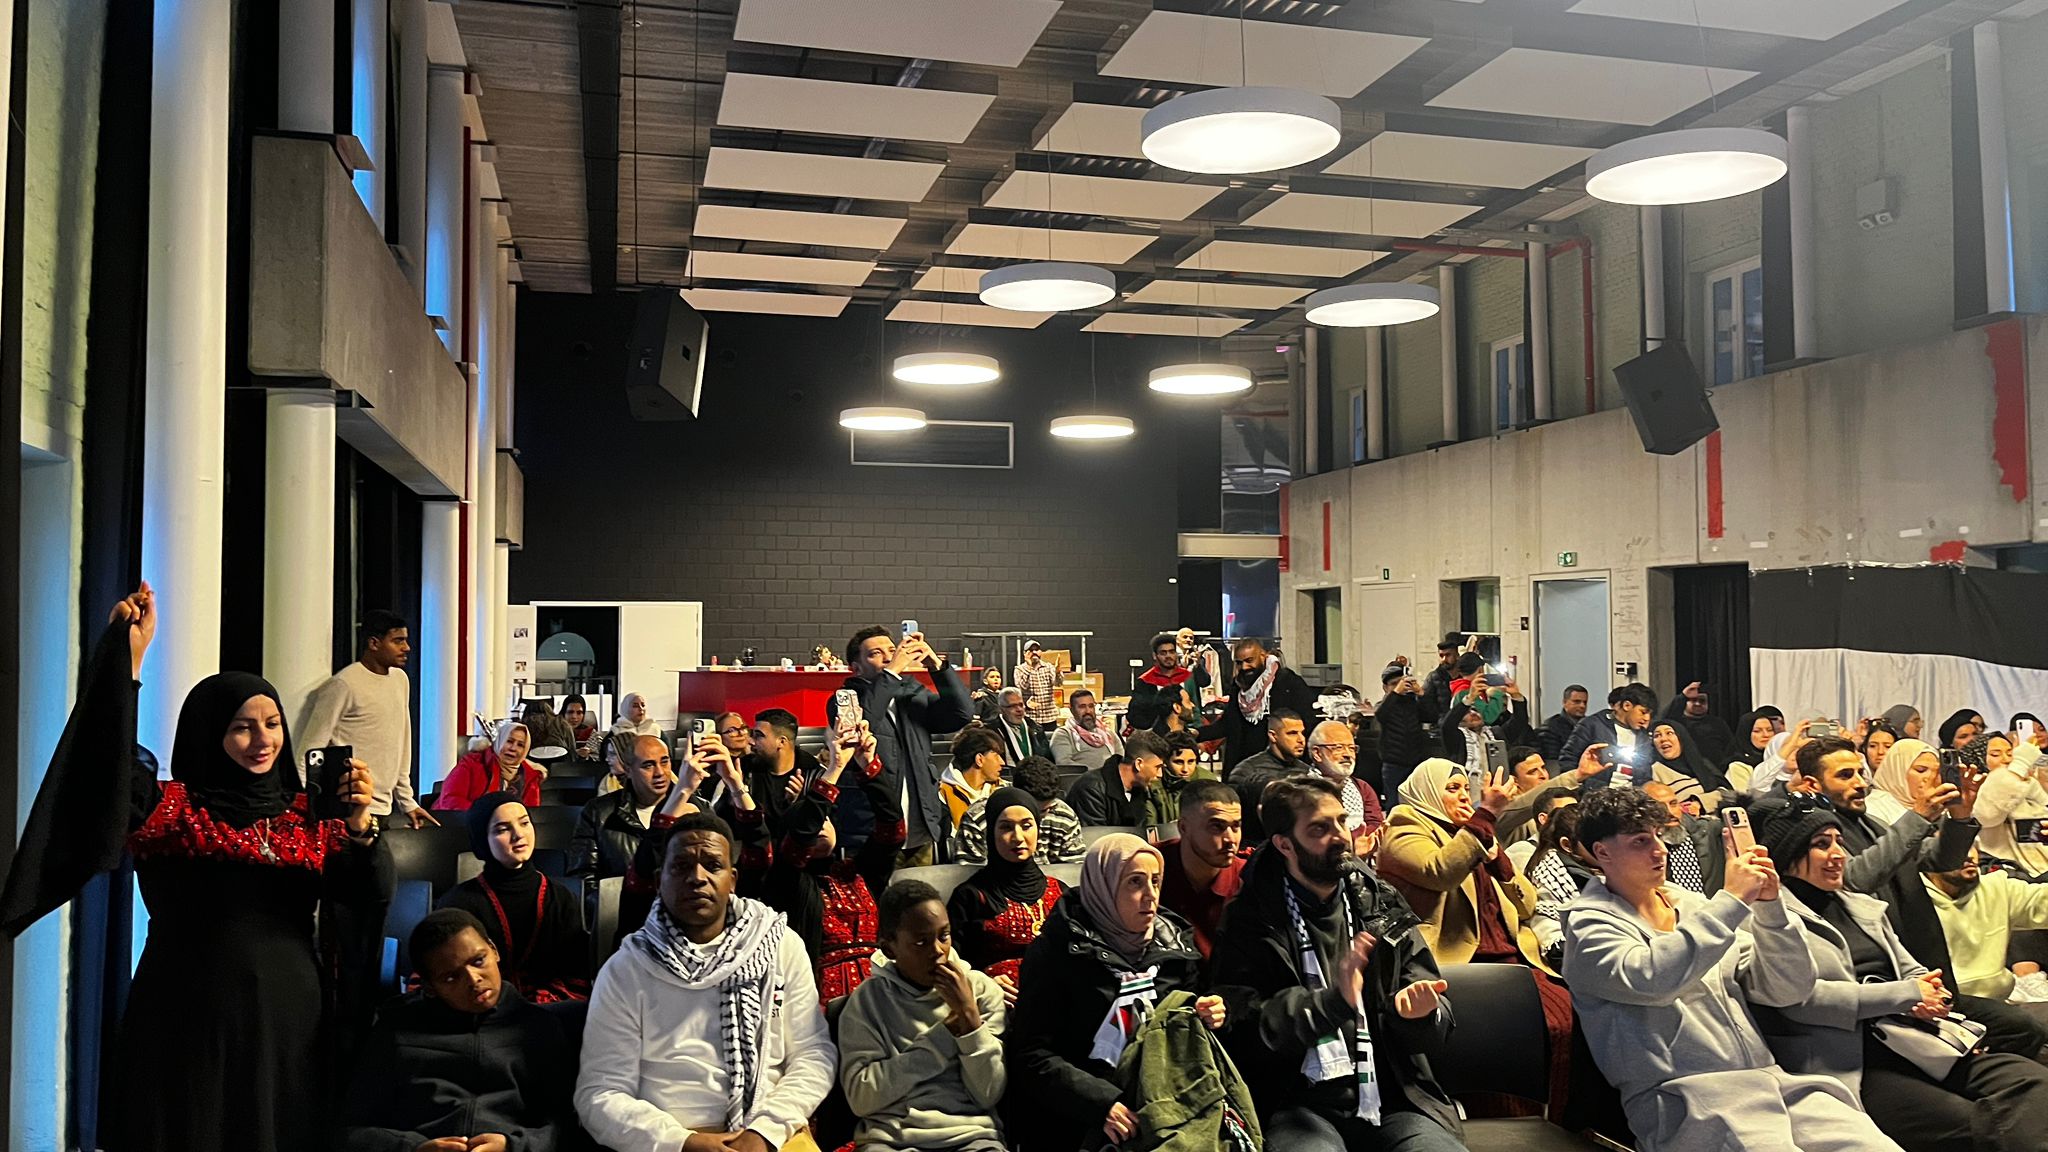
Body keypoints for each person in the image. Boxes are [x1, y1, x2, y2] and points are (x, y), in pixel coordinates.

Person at [0, 586, 384, 1151]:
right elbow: (100, 764)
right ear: (210, 732)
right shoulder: (169, 809)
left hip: (288, 1014)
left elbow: (366, 894)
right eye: (241, 727)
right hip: (185, 1007)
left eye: (272, 723)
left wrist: (360, 825)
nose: (262, 741)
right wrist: (128, 664)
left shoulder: (310, 815)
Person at [1562, 787, 1903, 1152]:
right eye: (1640, 841)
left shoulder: (1692, 906)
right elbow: (1652, 978)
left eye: (1658, 836)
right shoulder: (1589, 927)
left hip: (1770, 1081)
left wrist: (1770, 907)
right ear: (1602, 853)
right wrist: (1732, 900)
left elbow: (1787, 989)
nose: (1659, 850)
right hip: (1686, 1099)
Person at [1751, 800, 2048, 1152]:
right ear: (1788, 855)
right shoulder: (1769, 919)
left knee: (2032, 1081)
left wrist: (1933, 999)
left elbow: (1912, 970)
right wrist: (1906, 995)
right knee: (1976, 1124)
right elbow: (1802, 1001)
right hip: (1855, 1062)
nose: (1838, 854)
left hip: (1919, 1040)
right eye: (1821, 844)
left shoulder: (1859, 905)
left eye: (1838, 842)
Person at [1209, 776, 1464, 1152]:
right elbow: (1246, 1029)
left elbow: (1434, 1019)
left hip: (1394, 1096)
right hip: (1296, 1103)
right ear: (1284, 844)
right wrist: (1332, 1003)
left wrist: (1417, 1016)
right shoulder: (1250, 919)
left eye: (1341, 821)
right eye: (1319, 829)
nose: (1341, 836)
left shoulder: (1379, 902)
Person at [575, 813, 836, 1152]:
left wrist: (765, 1132)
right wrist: (683, 1142)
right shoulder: (626, 969)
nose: (697, 878)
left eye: (712, 866)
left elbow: (813, 1054)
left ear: (733, 879)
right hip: (667, 1139)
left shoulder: (780, 946)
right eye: (681, 866)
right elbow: (600, 1092)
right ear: (658, 880)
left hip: (771, 1132)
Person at [1791, 736, 2046, 1059]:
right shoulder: (1810, 836)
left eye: (1860, 773)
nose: (1860, 783)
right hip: (1881, 991)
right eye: (1845, 775)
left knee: (2021, 1029)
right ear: (1812, 785)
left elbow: (1941, 860)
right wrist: (1918, 816)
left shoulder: (1870, 823)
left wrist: (1960, 817)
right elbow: (1854, 879)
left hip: (1922, 971)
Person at [1004, 834, 1225, 1151]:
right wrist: (1102, 1104)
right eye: (1135, 882)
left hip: (1163, 1098)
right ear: (1103, 887)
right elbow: (1032, 1056)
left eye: (1155, 881)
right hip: (1081, 1112)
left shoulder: (1175, 945)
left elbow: (1183, 1032)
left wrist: (1208, 1013)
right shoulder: (1057, 951)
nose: (1150, 895)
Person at [1381, 760, 1575, 1119]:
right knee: (1533, 1028)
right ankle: (1503, 1120)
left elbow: (1527, 904)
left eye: (1463, 789)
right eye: (1451, 788)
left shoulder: (1475, 833)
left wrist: (1501, 864)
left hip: (1512, 956)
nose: (1462, 796)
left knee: (1569, 1017)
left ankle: (1560, 1119)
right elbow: (1439, 871)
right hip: (1459, 962)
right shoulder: (1405, 827)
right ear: (1428, 792)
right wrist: (1485, 816)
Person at [337, 909, 576, 1152]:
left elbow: (566, 1128)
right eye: (451, 978)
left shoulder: (537, 1028)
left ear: (493, 950)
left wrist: (512, 1145)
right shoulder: (396, 1031)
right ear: (430, 987)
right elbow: (351, 1131)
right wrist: (414, 1148)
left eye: (478, 961)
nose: (473, 980)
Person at [838, 880, 1009, 1152]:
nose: (938, 951)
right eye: (921, 942)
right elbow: (862, 1098)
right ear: (889, 949)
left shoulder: (980, 990)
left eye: (944, 936)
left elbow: (988, 1093)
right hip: (892, 1140)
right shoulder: (868, 1001)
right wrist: (943, 1036)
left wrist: (969, 1020)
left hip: (971, 1136)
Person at [832, 626, 975, 866]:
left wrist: (937, 667)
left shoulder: (913, 694)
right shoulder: (844, 699)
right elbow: (862, 725)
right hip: (872, 832)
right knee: (874, 890)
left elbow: (962, 713)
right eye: (875, 653)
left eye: (891, 650)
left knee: (920, 889)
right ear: (856, 668)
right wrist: (892, 672)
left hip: (921, 829)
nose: (889, 657)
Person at [438, 793, 591, 1002]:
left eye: (524, 823)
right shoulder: (458, 903)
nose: (518, 835)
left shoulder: (560, 897)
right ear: (483, 841)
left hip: (549, 1011)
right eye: (502, 829)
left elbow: (576, 973)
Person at [299, 608, 433, 827]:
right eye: (398, 641)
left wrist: (407, 801)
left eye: (405, 640)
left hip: (383, 807)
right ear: (374, 643)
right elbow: (310, 749)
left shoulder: (400, 680)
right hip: (346, 809)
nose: (406, 648)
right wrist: (302, 809)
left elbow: (402, 742)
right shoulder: (344, 684)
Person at [947, 786, 1067, 996]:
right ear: (991, 833)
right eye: (1006, 827)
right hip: (992, 1001)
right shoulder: (970, 896)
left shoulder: (1061, 892)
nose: (1018, 837)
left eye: (1027, 826)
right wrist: (983, 982)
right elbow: (951, 962)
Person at [1927, 848, 2048, 1004]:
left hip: (1998, 1000)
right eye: (1955, 845)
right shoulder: (1908, 899)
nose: (1969, 855)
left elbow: (2042, 902)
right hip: (1938, 1002)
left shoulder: (1996, 886)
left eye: (1970, 845)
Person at [1156, 778, 1247, 961]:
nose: (1231, 839)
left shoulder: (1248, 877)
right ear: (1183, 827)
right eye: (1217, 827)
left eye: (1236, 826)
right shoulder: (1151, 867)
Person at [1200, 638, 1319, 774]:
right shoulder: (1238, 686)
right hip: (1242, 767)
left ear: (1263, 656)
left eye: (1249, 660)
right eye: (1239, 663)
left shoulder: (1288, 683)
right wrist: (1198, 734)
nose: (1244, 667)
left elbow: (1308, 723)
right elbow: (1228, 724)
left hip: (1279, 769)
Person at [573, 733, 679, 884]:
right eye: (648, 765)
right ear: (628, 770)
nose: (660, 773)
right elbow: (583, 879)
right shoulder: (598, 812)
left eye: (664, 762)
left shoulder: (695, 807)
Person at [954, 757, 1083, 866]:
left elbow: (1072, 871)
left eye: (1044, 811)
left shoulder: (1064, 816)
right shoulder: (979, 817)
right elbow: (970, 870)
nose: (1038, 818)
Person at [1966, 731, 2048, 878]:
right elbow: (1986, 816)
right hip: (2008, 872)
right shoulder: (1974, 791)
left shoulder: (2028, 784)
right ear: (1978, 758)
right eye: (1995, 755)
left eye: (2010, 754)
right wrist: (2020, 764)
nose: (2006, 760)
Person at [1520, 796, 1590, 966]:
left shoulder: (1594, 869)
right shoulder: (1550, 873)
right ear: (1567, 845)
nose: (1603, 846)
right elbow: (1558, 950)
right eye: (1592, 841)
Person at [1306, 718, 1383, 853]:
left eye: (1352, 748)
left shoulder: (1362, 788)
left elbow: (1375, 824)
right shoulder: (1301, 791)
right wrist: (1349, 843)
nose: (1348, 754)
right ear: (1317, 753)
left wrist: (1360, 843)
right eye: (1339, 748)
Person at [1228, 709, 1309, 839]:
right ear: (1273, 736)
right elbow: (1231, 814)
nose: (1301, 740)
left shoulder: (1307, 772)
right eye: (1292, 733)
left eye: (1302, 733)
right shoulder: (1246, 771)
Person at [1065, 729, 1166, 828]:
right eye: (1157, 767)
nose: (1160, 774)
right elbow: (1094, 835)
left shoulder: (1139, 789)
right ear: (1139, 764)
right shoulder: (1090, 789)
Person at [1641, 780, 1722, 897]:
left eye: (1673, 803)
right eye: (1659, 807)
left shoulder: (1709, 831)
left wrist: (1701, 802)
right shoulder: (1639, 850)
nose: (1670, 812)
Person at [1374, 659, 1438, 802]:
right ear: (1385, 687)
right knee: (1394, 803)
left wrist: (1421, 693)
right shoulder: (1384, 704)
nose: (1399, 686)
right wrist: (1396, 692)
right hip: (1393, 764)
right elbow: (1381, 715)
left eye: (1401, 683)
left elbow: (1431, 716)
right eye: (1394, 684)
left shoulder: (1413, 702)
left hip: (1415, 762)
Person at [1439, 676, 1531, 775]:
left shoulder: (1496, 733)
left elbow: (1519, 722)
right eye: (1467, 712)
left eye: (1476, 710)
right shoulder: (1456, 738)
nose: (1474, 714)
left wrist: (1516, 695)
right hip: (1466, 782)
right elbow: (1447, 725)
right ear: (1459, 719)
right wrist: (1470, 698)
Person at [1558, 682, 1657, 771]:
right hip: (1596, 785)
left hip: (1634, 786)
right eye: (1643, 712)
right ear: (1627, 706)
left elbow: (1645, 772)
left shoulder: (1644, 736)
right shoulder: (1593, 725)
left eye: (1650, 714)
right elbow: (1568, 759)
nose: (1647, 718)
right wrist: (1579, 781)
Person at [1128, 631, 1211, 734]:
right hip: (1158, 735)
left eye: (1172, 652)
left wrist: (1196, 731)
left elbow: (1195, 706)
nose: (1168, 656)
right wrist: (1152, 731)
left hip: (1188, 733)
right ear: (1155, 656)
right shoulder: (1145, 681)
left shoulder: (1188, 676)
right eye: (1163, 653)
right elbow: (1135, 715)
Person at [938, 725, 1006, 838]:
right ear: (979, 759)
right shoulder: (943, 794)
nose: (1002, 762)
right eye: (996, 755)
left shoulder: (1003, 790)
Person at [1662, 681, 1736, 768]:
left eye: (1702, 701)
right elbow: (1663, 719)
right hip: (1686, 770)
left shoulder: (1718, 723)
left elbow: (1731, 747)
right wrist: (1683, 696)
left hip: (1716, 770)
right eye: (1693, 700)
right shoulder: (1677, 722)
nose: (1698, 704)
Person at [1140, 729, 1203, 827]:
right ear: (1165, 761)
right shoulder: (1152, 783)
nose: (1185, 769)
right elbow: (1149, 824)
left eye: (1191, 762)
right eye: (1178, 762)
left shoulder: (1207, 783)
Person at [1050, 688, 1123, 770]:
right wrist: (1097, 774)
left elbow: (1122, 760)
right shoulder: (1064, 734)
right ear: (1072, 710)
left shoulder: (1108, 733)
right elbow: (1064, 764)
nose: (1088, 711)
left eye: (1091, 706)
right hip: (1084, 777)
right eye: (1082, 707)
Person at [1647, 719, 1722, 800]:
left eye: (1669, 733)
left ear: (1681, 737)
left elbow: (1727, 794)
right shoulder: (1654, 771)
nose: (1663, 739)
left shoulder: (1702, 763)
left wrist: (1700, 802)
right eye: (1657, 735)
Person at [988, 687, 1052, 767]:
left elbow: (1047, 761)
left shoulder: (1036, 728)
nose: (1019, 709)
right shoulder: (991, 732)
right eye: (1012, 706)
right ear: (1001, 709)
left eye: (1021, 705)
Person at [1012, 640, 1060, 727]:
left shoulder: (1049, 667)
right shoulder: (1019, 669)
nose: (1034, 652)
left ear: (1041, 652)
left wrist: (1058, 673)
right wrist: (1029, 668)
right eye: (1031, 650)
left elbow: (1058, 684)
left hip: (1049, 716)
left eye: (1037, 650)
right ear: (1025, 653)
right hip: (1031, 717)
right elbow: (1022, 687)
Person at [1537, 684, 1588, 763]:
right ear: (1564, 702)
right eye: (1577, 702)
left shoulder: (1591, 725)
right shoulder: (1551, 727)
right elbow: (1552, 760)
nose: (1582, 706)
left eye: (1585, 702)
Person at [1420, 632, 1464, 723]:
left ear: (1457, 655)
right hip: (1442, 723)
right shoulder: (1433, 677)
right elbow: (1427, 707)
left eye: (1448, 655)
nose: (1444, 659)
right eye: (1441, 656)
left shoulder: (1464, 675)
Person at [1729, 710, 1777, 784]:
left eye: (1770, 730)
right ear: (1746, 734)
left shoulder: (1779, 759)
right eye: (1757, 731)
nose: (1766, 735)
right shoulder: (1738, 766)